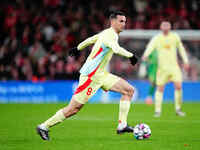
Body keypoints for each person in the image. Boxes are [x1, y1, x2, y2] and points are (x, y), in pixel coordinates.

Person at [36, 11, 138, 140]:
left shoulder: (106, 33)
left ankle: (122, 125)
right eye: (121, 21)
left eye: (125, 21)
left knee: (129, 90)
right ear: (113, 22)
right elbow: (116, 49)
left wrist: (77, 48)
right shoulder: (109, 36)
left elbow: (91, 39)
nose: (124, 24)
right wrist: (131, 56)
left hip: (101, 74)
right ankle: (44, 126)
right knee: (73, 109)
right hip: (90, 76)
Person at [142, 21, 189, 117]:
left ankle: (178, 109)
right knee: (160, 88)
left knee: (179, 86)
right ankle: (157, 111)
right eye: (164, 25)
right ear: (160, 27)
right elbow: (150, 46)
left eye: (167, 25)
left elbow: (181, 49)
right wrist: (146, 55)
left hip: (174, 67)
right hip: (162, 68)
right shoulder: (157, 38)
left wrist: (185, 61)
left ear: (170, 27)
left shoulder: (175, 36)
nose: (165, 27)